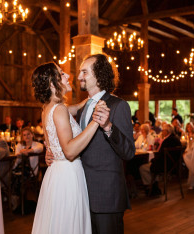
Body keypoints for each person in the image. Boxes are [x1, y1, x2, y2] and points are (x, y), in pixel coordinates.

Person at [46, 54, 135, 234]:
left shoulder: (119, 106)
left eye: (84, 72)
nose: (79, 77)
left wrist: (108, 127)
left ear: (99, 75)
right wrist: (52, 150)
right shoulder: (83, 107)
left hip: (106, 196)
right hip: (80, 192)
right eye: (80, 72)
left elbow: (129, 152)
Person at [31, 62, 108, 234]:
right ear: (52, 83)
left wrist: (87, 101)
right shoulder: (59, 109)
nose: (68, 76)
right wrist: (96, 121)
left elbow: (70, 110)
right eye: (62, 74)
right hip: (67, 174)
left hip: (56, 173)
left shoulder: (48, 108)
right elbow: (70, 151)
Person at [139, 123, 181, 196]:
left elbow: (160, 156)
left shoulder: (166, 141)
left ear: (168, 131)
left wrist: (152, 161)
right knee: (151, 165)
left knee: (142, 168)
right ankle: (155, 187)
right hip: (173, 166)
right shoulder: (177, 140)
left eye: (163, 130)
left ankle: (151, 188)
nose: (162, 132)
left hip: (164, 166)